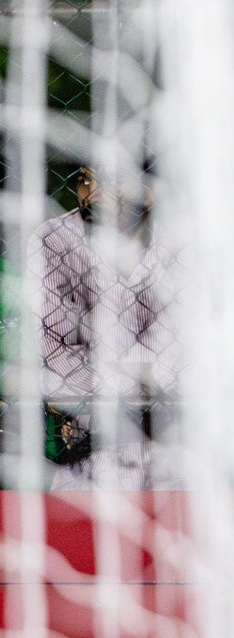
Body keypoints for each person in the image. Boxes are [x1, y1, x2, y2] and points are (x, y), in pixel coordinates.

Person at [28, 163, 178, 488]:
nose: (93, 193)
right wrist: (146, 387)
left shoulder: (178, 240)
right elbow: (57, 354)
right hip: (94, 444)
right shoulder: (53, 241)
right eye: (83, 179)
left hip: (176, 442)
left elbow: (189, 348)